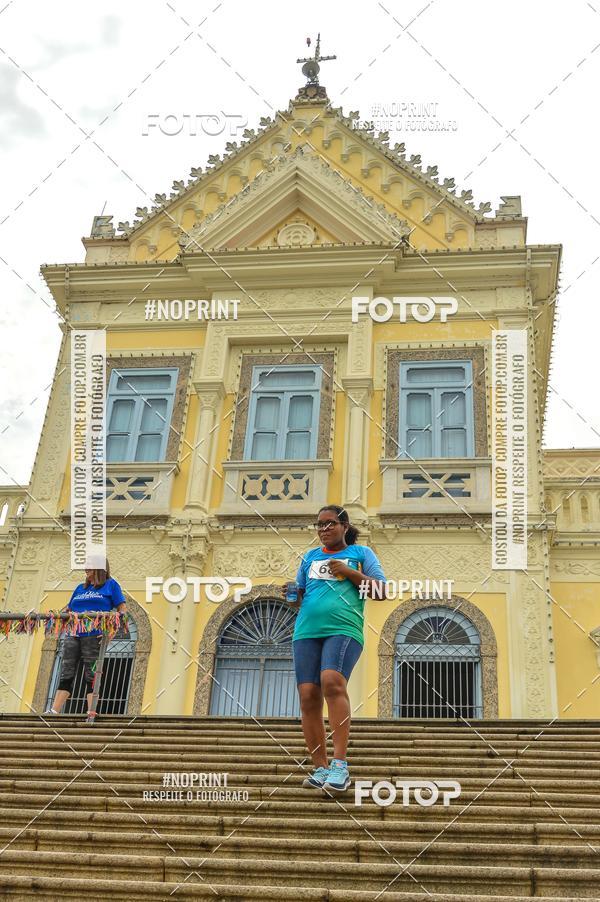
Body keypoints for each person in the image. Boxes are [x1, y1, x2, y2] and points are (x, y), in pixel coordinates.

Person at [286, 505, 385, 793]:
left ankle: (340, 765)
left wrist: (349, 573)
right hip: (305, 631)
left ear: (344, 526)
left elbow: (381, 591)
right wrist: (292, 596)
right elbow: (302, 596)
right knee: (308, 694)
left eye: (330, 523)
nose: (324, 529)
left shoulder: (361, 555)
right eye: (319, 525)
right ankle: (321, 767)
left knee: (332, 682)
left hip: (344, 629)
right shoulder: (310, 558)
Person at [45, 560, 126, 715]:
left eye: (90, 567)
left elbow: (122, 610)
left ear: (100, 569)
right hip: (73, 633)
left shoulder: (111, 585)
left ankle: (91, 710)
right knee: (66, 670)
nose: (86, 570)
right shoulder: (80, 588)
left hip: (94, 634)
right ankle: (54, 710)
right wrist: (56, 617)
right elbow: (69, 609)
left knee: (92, 672)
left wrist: (112, 630)